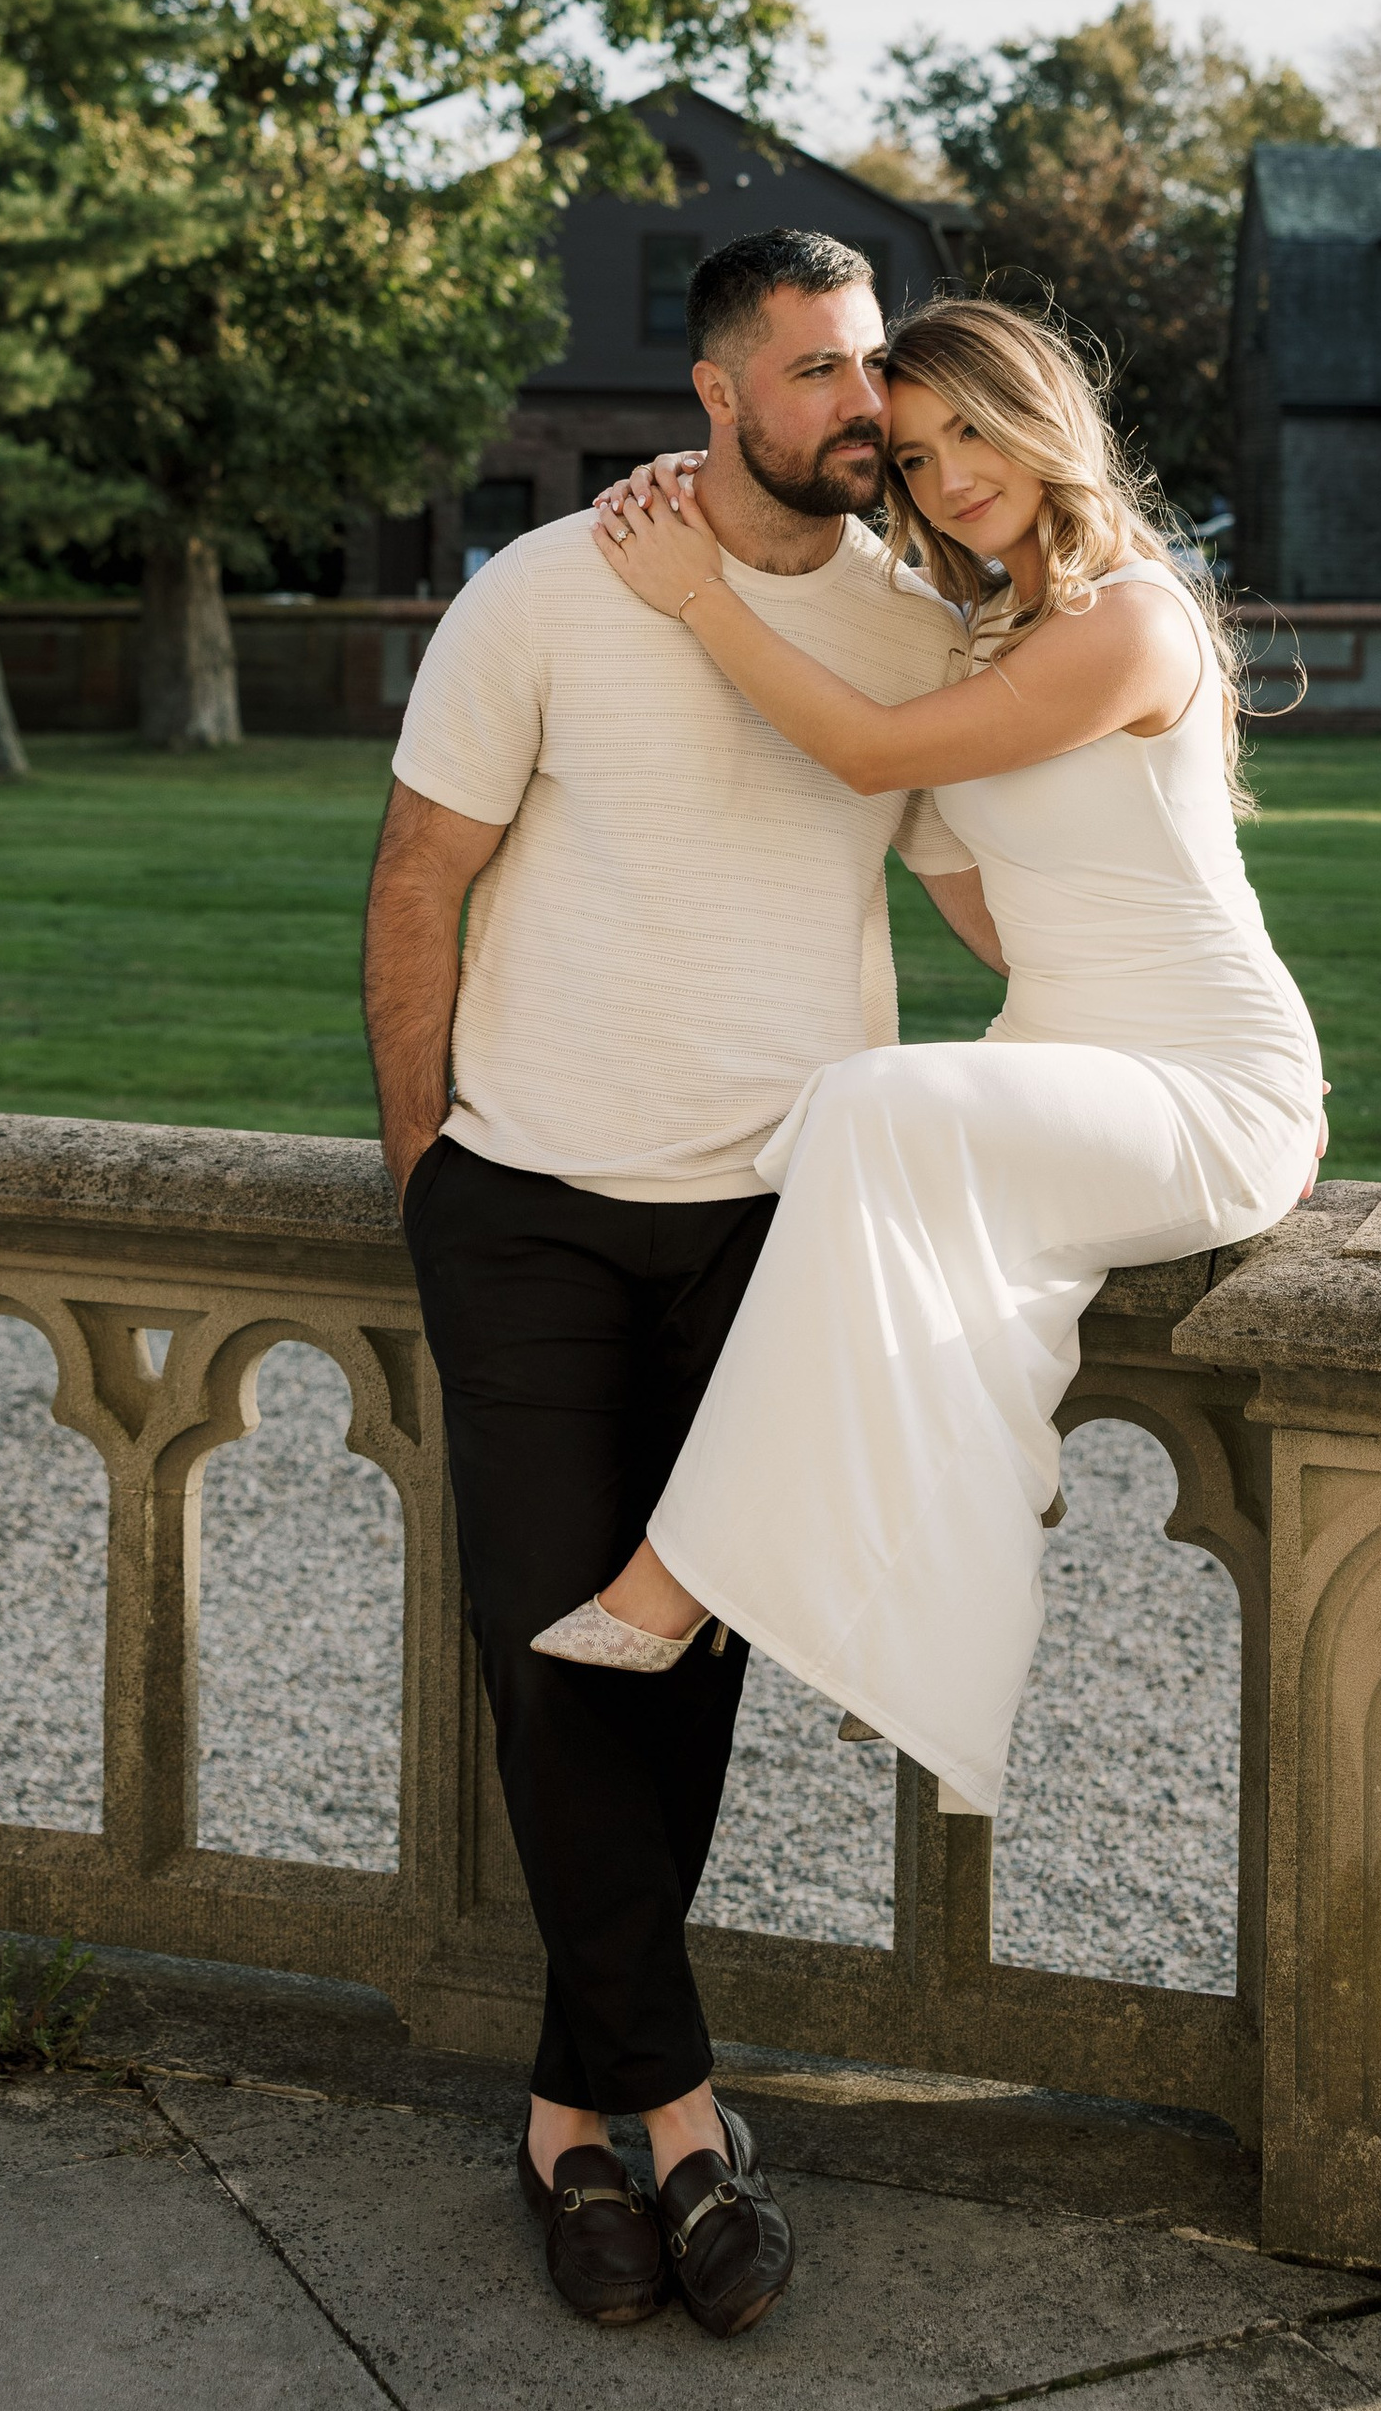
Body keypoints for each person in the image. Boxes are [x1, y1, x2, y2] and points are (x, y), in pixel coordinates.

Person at [362, 225, 997, 2339]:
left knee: (683, 1674)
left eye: (870, 365)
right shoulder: (542, 592)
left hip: (777, 1223)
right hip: (527, 1202)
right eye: (817, 368)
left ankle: (566, 2122)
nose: (862, 402)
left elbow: (992, 896)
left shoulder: (911, 629)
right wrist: (426, 1176)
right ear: (712, 392)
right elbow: (418, 877)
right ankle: (692, 2125)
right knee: (553, 1653)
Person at [532, 295, 1325, 1826]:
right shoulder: (995, 633)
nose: (951, 474)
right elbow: (990, 906)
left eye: (974, 428)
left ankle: (679, 1573)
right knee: (867, 1140)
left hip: (1212, 1084)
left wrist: (700, 595)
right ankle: (857, 1597)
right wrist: (679, 497)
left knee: (869, 1103)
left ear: (1045, 421)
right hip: (1076, 1062)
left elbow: (874, 753)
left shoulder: (1135, 617)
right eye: (913, 451)